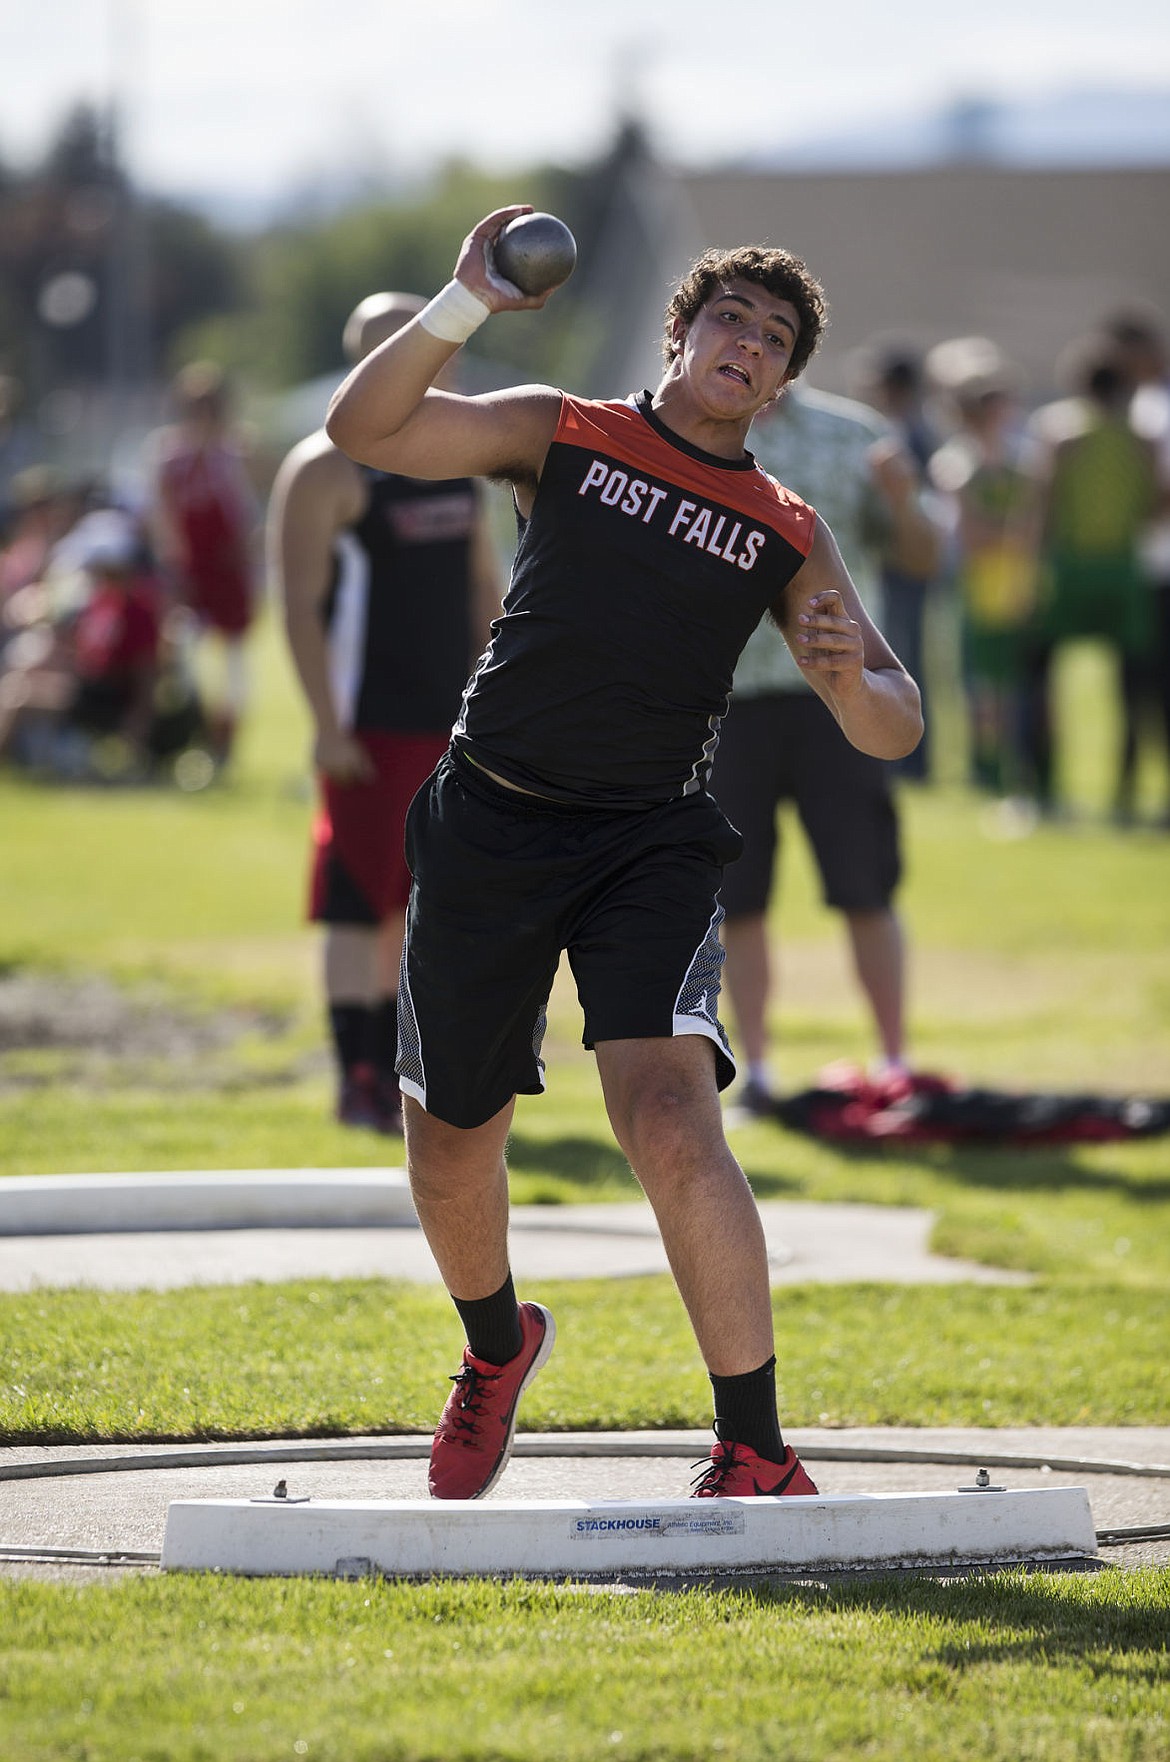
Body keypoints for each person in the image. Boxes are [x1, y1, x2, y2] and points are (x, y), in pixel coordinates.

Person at [325, 206, 922, 1503]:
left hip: (648, 836)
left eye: (774, 340)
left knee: (666, 1111)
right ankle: (496, 1349)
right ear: (680, 331)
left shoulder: (782, 521)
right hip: (488, 819)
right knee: (449, 1142)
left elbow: (892, 717)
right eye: (731, 319)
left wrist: (846, 683)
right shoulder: (564, 429)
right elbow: (361, 434)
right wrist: (460, 304)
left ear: (781, 380)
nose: (749, 347)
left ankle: (753, 1445)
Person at [269, 293, 503, 1134]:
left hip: (452, 725)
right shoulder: (326, 466)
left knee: (422, 906)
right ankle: (356, 1076)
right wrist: (327, 725)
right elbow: (297, 605)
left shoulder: (459, 458)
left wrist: (497, 695)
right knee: (356, 898)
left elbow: (484, 588)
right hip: (369, 722)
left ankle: (403, 1072)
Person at [712, 379, 939, 1117]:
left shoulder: (854, 434)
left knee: (866, 884)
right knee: (736, 896)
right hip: (723, 699)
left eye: (777, 332)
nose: (754, 347)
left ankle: (896, 1062)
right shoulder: (687, 431)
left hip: (840, 700)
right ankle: (762, 1073)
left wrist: (903, 499)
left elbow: (923, 555)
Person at [927, 341, 1045, 805]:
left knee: (1010, 683)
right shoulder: (963, 464)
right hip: (980, 582)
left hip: (1011, 581)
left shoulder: (1018, 461)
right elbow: (975, 534)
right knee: (985, 686)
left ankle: (1008, 770)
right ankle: (990, 771)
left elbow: (1028, 528)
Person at [148, 362, 259, 769]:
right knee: (183, 657)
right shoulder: (169, 454)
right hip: (189, 570)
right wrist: (172, 568)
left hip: (229, 569)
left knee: (233, 662)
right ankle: (191, 734)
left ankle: (227, 745)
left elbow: (250, 513)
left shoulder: (236, 451)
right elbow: (163, 516)